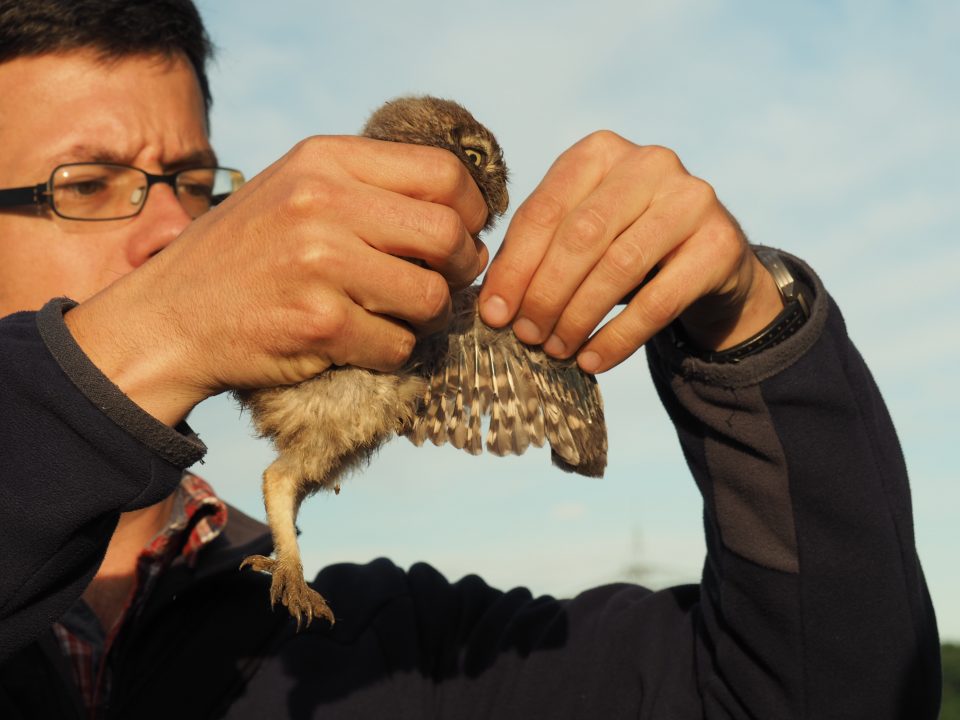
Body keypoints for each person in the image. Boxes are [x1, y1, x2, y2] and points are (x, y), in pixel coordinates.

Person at [0, 0, 941, 717]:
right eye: (87, 185)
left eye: (197, 183)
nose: (174, 229)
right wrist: (144, 341)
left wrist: (751, 336)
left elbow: (824, 691)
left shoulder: (372, 648)